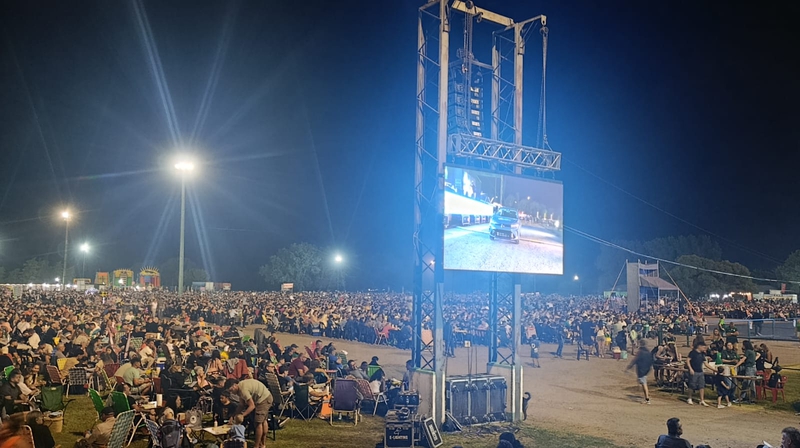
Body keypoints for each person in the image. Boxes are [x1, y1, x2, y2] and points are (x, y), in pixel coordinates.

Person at [226, 378, 274, 448]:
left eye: (231, 390)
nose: (231, 392)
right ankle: (262, 444)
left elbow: (252, 406)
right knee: (263, 421)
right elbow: (241, 405)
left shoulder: (243, 390)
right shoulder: (240, 389)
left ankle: (257, 445)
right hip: (263, 396)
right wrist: (233, 415)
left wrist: (242, 415)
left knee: (258, 422)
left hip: (263, 399)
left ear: (235, 385)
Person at [686, 341, 712, 406]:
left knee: (702, 386)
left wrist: (714, 370)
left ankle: (702, 400)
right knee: (692, 385)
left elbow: (706, 363)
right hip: (694, 371)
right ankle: (689, 398)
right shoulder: (692, 353)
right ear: (699, 346)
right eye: (703, 347)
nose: (705, 348)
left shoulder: (703, 354)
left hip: (700, 371)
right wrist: (690, 369)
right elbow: (688, 360)